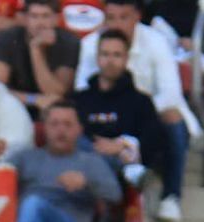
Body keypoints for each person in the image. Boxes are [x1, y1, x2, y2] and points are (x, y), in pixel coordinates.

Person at [72, 0, 193, 222]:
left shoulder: (156, 41)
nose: (116, 24)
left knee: (173, 120)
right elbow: (82, 91)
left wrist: (135, 113)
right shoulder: (91, 44)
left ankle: (171, 197)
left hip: (147, 113)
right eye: (111, 17)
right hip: (102, 116)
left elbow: (170, 93)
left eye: (123, 17)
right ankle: (128, 174)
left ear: (137, 16)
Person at [10, 100, 120, 222]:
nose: (61, 130)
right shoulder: (24, 158)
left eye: (68, 125)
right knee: (30, 209)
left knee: (35, 204)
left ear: (79, 130)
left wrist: (87, 183)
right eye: (54, 124)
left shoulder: (90, 162)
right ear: (44, 128)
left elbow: (115, 195)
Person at [69, 28, 166, 193]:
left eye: (116, 55)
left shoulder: (141, 102)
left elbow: (153, 144)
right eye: (105, 54)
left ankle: (122, 171)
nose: (110, 61)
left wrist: (121, 146)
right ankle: (125, 172)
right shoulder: (79, 99)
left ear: (126, 58)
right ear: (97, 57)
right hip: (83, 169)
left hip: (118, 174)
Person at [0, 0, 76, 110]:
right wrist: (33, 99)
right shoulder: (8, 38)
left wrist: (35, 50)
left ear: (56, 19)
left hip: (54, 110)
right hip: (13, 107)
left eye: (46, 16)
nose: (40, 23)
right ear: (25, 19)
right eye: (34, 16)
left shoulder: (68, 42)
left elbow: (55, 94)